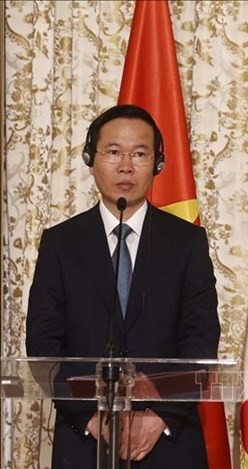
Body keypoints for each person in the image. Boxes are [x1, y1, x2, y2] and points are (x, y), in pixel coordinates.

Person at [26, 104, 220, 468]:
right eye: (113, 152)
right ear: (91, 159)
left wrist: (159, 416)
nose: (126, 166)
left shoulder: (186, 242)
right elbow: (43, 344)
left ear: (158, 164)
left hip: (170, 445)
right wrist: (93, 419)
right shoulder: (61, 243)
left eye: (140, 154)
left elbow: (201, 338)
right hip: (84, 444)